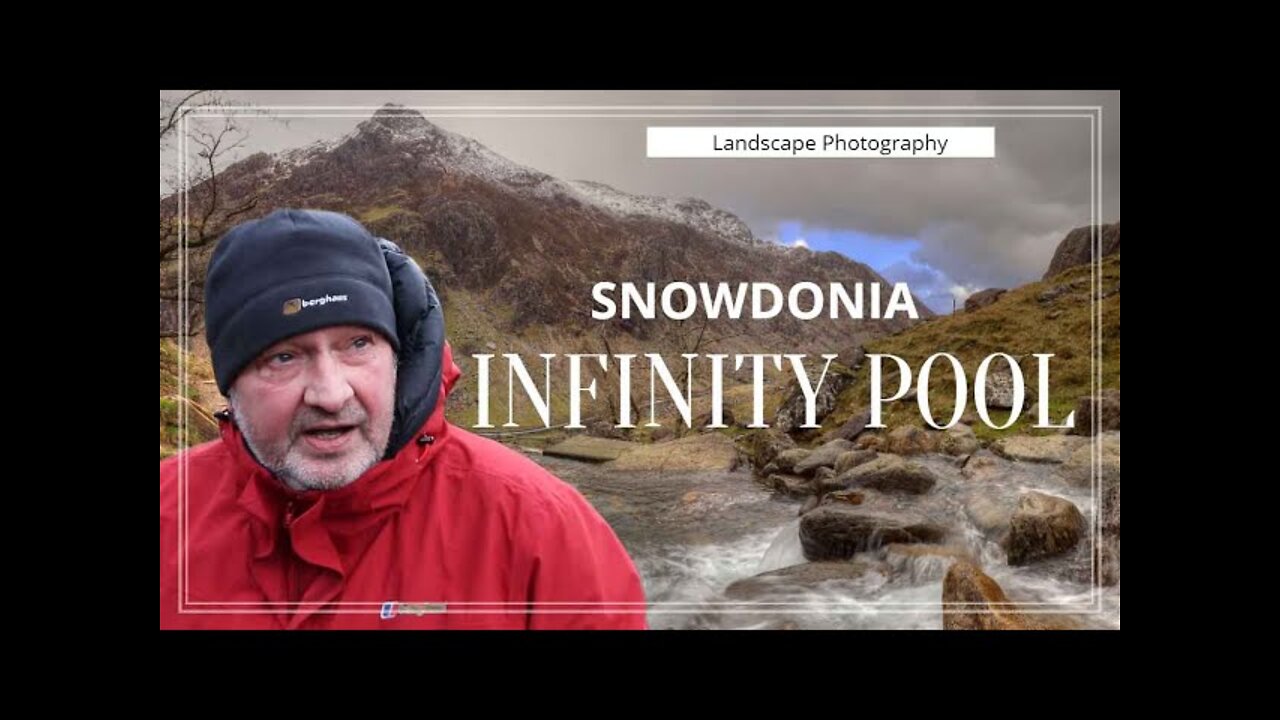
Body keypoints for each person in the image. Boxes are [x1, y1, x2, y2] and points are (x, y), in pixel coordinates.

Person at [159, 208, 647, 629]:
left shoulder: (543, 530)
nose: (331, 393)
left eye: (358, 344)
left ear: (399, 356)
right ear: (230, 379)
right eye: (283, 357)